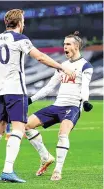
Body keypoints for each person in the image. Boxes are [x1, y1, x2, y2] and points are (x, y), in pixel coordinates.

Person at [0, 9, 74, 183]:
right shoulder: (21, 39)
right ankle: (7, 170)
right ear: (20, 22)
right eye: (24, 21)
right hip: (15, 91)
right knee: (19, 129)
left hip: (0, 92)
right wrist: (62, 67)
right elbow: (40, 57)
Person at [25, 31, 93, 181]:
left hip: (72, 107)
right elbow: (49, 88)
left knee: (63, 134)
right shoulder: (62, 66)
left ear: (76, 46)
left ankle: (58, 170)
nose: (64, 47)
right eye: (64, 44)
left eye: (68, 44)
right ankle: (45, 157)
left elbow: (85, 87)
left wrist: (86, 101)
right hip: (57, 105)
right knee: (26, 125)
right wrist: (31, 100)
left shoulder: (85, 66)